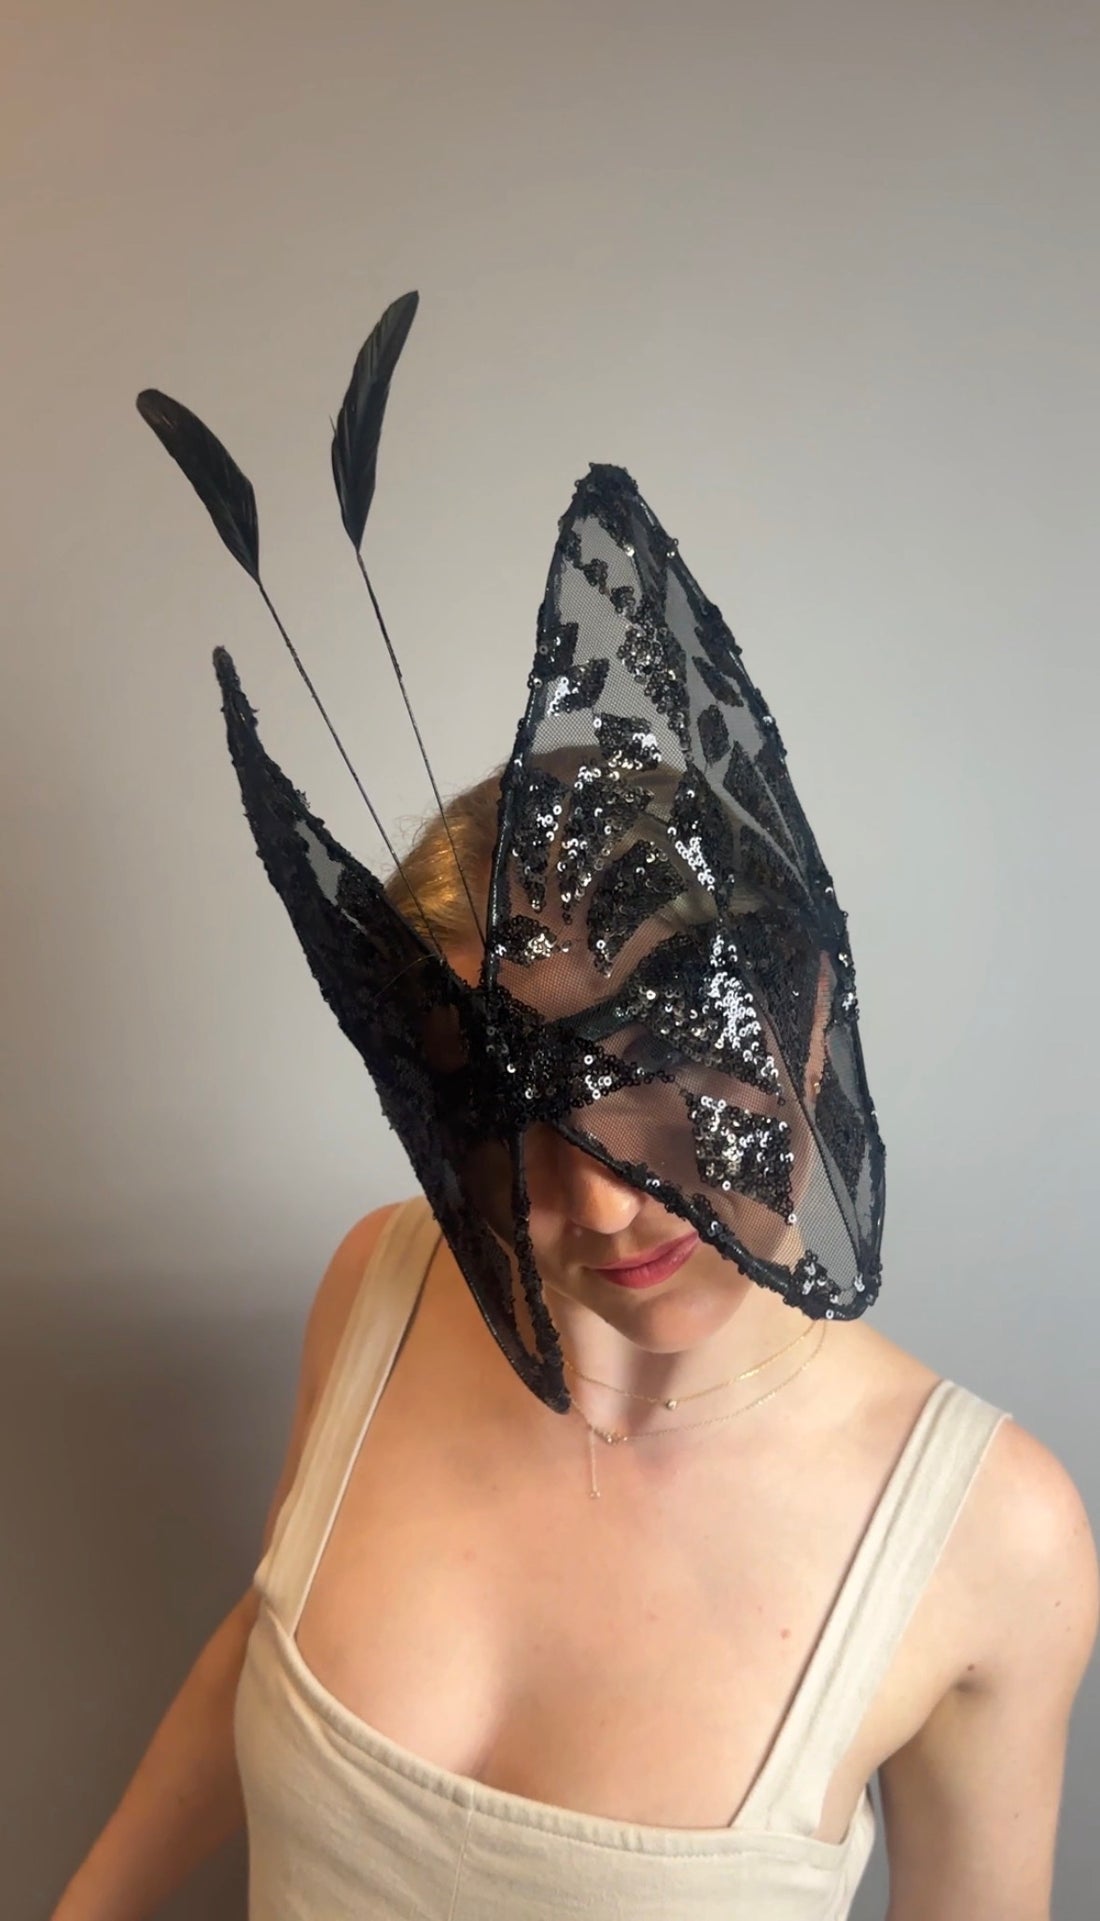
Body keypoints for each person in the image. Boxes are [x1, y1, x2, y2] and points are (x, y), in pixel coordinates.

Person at [52, 299, 1098, 1917]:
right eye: (518, 1110)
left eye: (659, 1084)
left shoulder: (989, 1537)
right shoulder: (382, 1287)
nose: (604, 1204)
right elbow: (267, 1632)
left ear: (801, 1027)